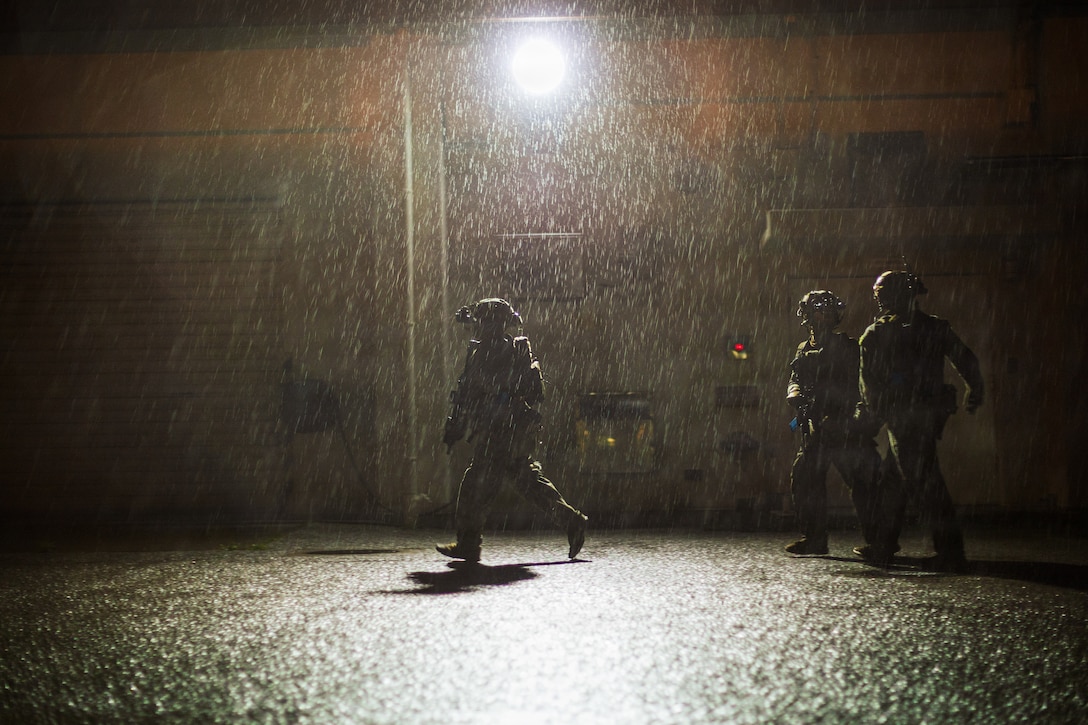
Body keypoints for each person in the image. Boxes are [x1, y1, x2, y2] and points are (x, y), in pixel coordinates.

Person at [438, 298, 588, 563]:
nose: (476, 328)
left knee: (476, 484)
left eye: (481, 322)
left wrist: (458, 425)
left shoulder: (489, 352)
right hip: (511, 430)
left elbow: (472, 394)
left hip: (499, 431)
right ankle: (571, 521)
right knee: (527, 481)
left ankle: (469, 543)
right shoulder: (501, 349)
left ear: (489, 324)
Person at [856, 271, 984, 571]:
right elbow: (966, 359)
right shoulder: (934, 327)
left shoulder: (877, 333)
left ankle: (950, 551)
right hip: (925, 414)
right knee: (894, 480)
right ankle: (884, 545)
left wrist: (872, 417)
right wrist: (974, 389)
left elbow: (869, 384)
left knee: (925, 482)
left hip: (902, 417)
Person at [784, 290, 883, 556]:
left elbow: (860, 385)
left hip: (844, 426)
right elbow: (795, 377)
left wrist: (853, 417)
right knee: (806, 478)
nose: (823, 316)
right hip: (817, 427)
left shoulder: (848, 347)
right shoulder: (803, 349)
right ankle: (815, 538)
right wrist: (794, 394)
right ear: (806, 315)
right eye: (818, 310)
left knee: (863, 482)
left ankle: (881, 543)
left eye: (828, 311)